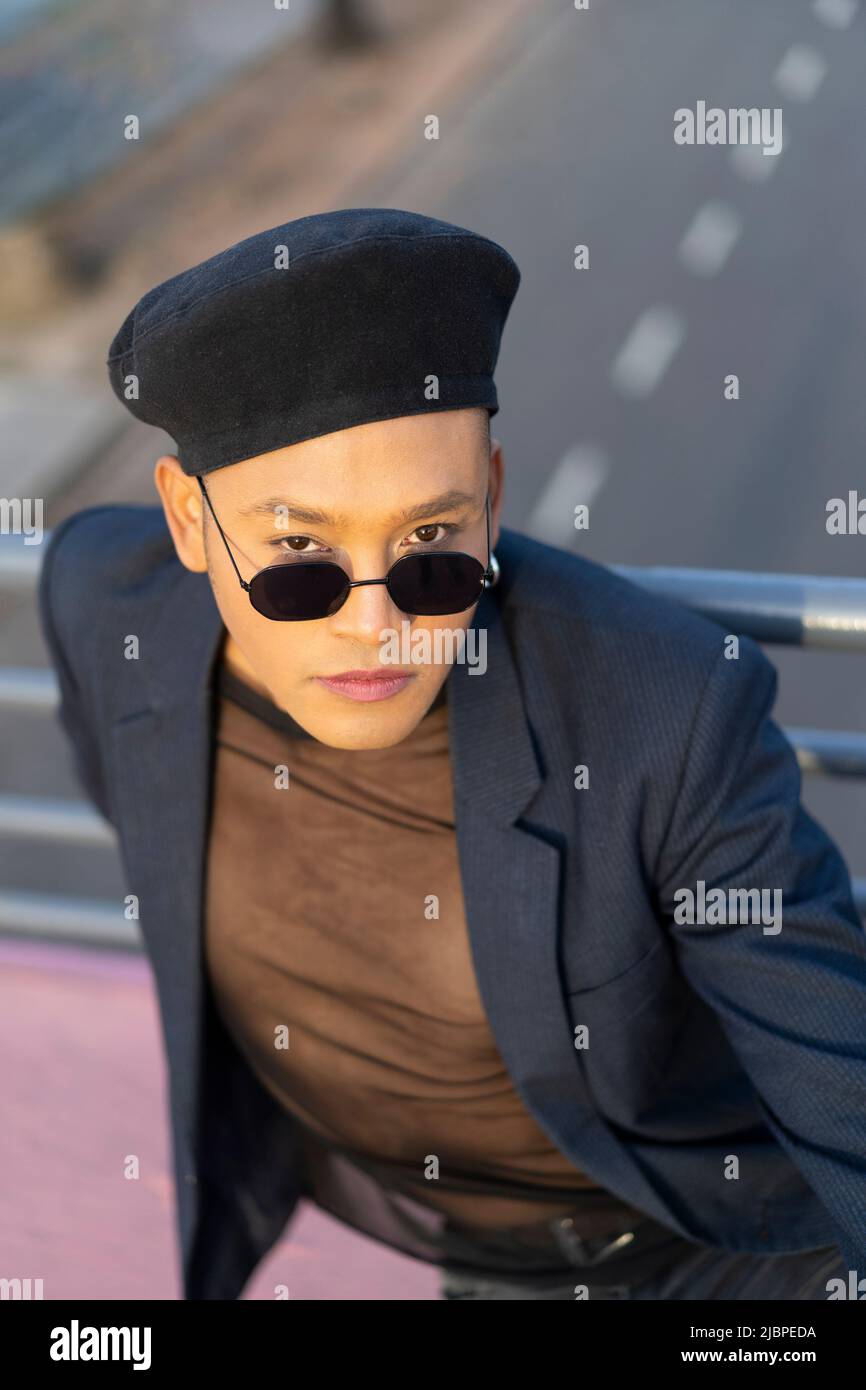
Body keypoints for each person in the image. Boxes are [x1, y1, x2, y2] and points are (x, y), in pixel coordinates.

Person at [37, 208, 866, 1301]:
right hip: (462, 1258)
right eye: (300, 562)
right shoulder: (105, 604)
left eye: (431, 550)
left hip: (711, 1251)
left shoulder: (660, 707)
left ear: (491, 499)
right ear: (190, 526)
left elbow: (835, 1074)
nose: (377, 628)